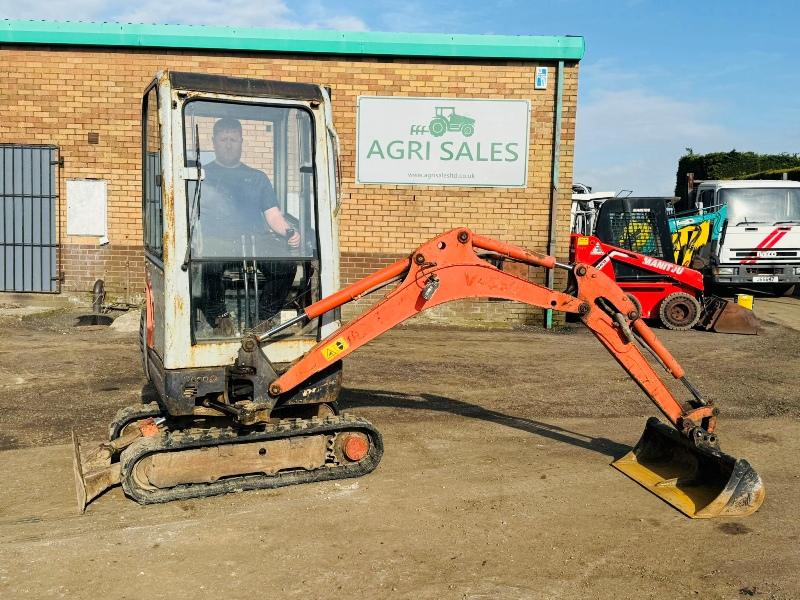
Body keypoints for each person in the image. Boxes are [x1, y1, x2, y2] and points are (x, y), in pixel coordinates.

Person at [196, 117, 299, 335]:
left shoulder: (257, 178)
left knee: (286, 265)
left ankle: (263, 319)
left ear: (241, 141)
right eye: (224, 139)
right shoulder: (201, 177)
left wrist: (289, 232)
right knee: (206, 264)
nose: (229, 143)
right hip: (216, 242)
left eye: (233, 139)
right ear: (214, 142)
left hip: (255, 241)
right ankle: (220, 319)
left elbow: (273, 215)